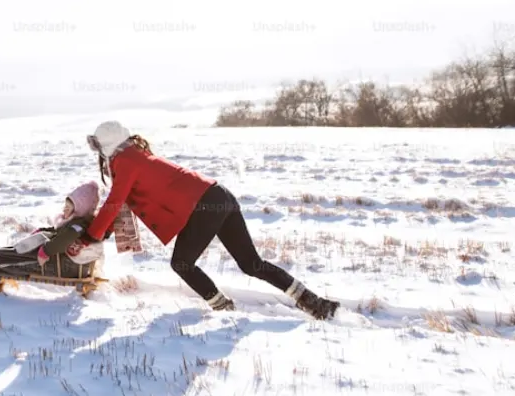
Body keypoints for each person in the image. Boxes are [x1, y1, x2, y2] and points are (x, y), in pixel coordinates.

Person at [82, 120, 339, 319]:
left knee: (182, 263)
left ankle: (224, 309)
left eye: (97, 147)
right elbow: (121, 203)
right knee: (252, 263)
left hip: (204, 206)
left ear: (106, 146)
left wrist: (91, 235)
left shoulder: (126, 160)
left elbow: (115, 201)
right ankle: (314, 302)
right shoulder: (136, 154)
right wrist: (101, 231)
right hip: (219, 195)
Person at [0, 182, 105, 280]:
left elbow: (67, 237)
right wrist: (42, 231)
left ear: (80, 209)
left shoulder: (78, 226)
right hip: (60, 263)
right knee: (8, 253)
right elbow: (62, 233)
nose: (64, 210)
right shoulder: (78, 222)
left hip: (58, 266)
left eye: (68, 207)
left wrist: (46, 251)